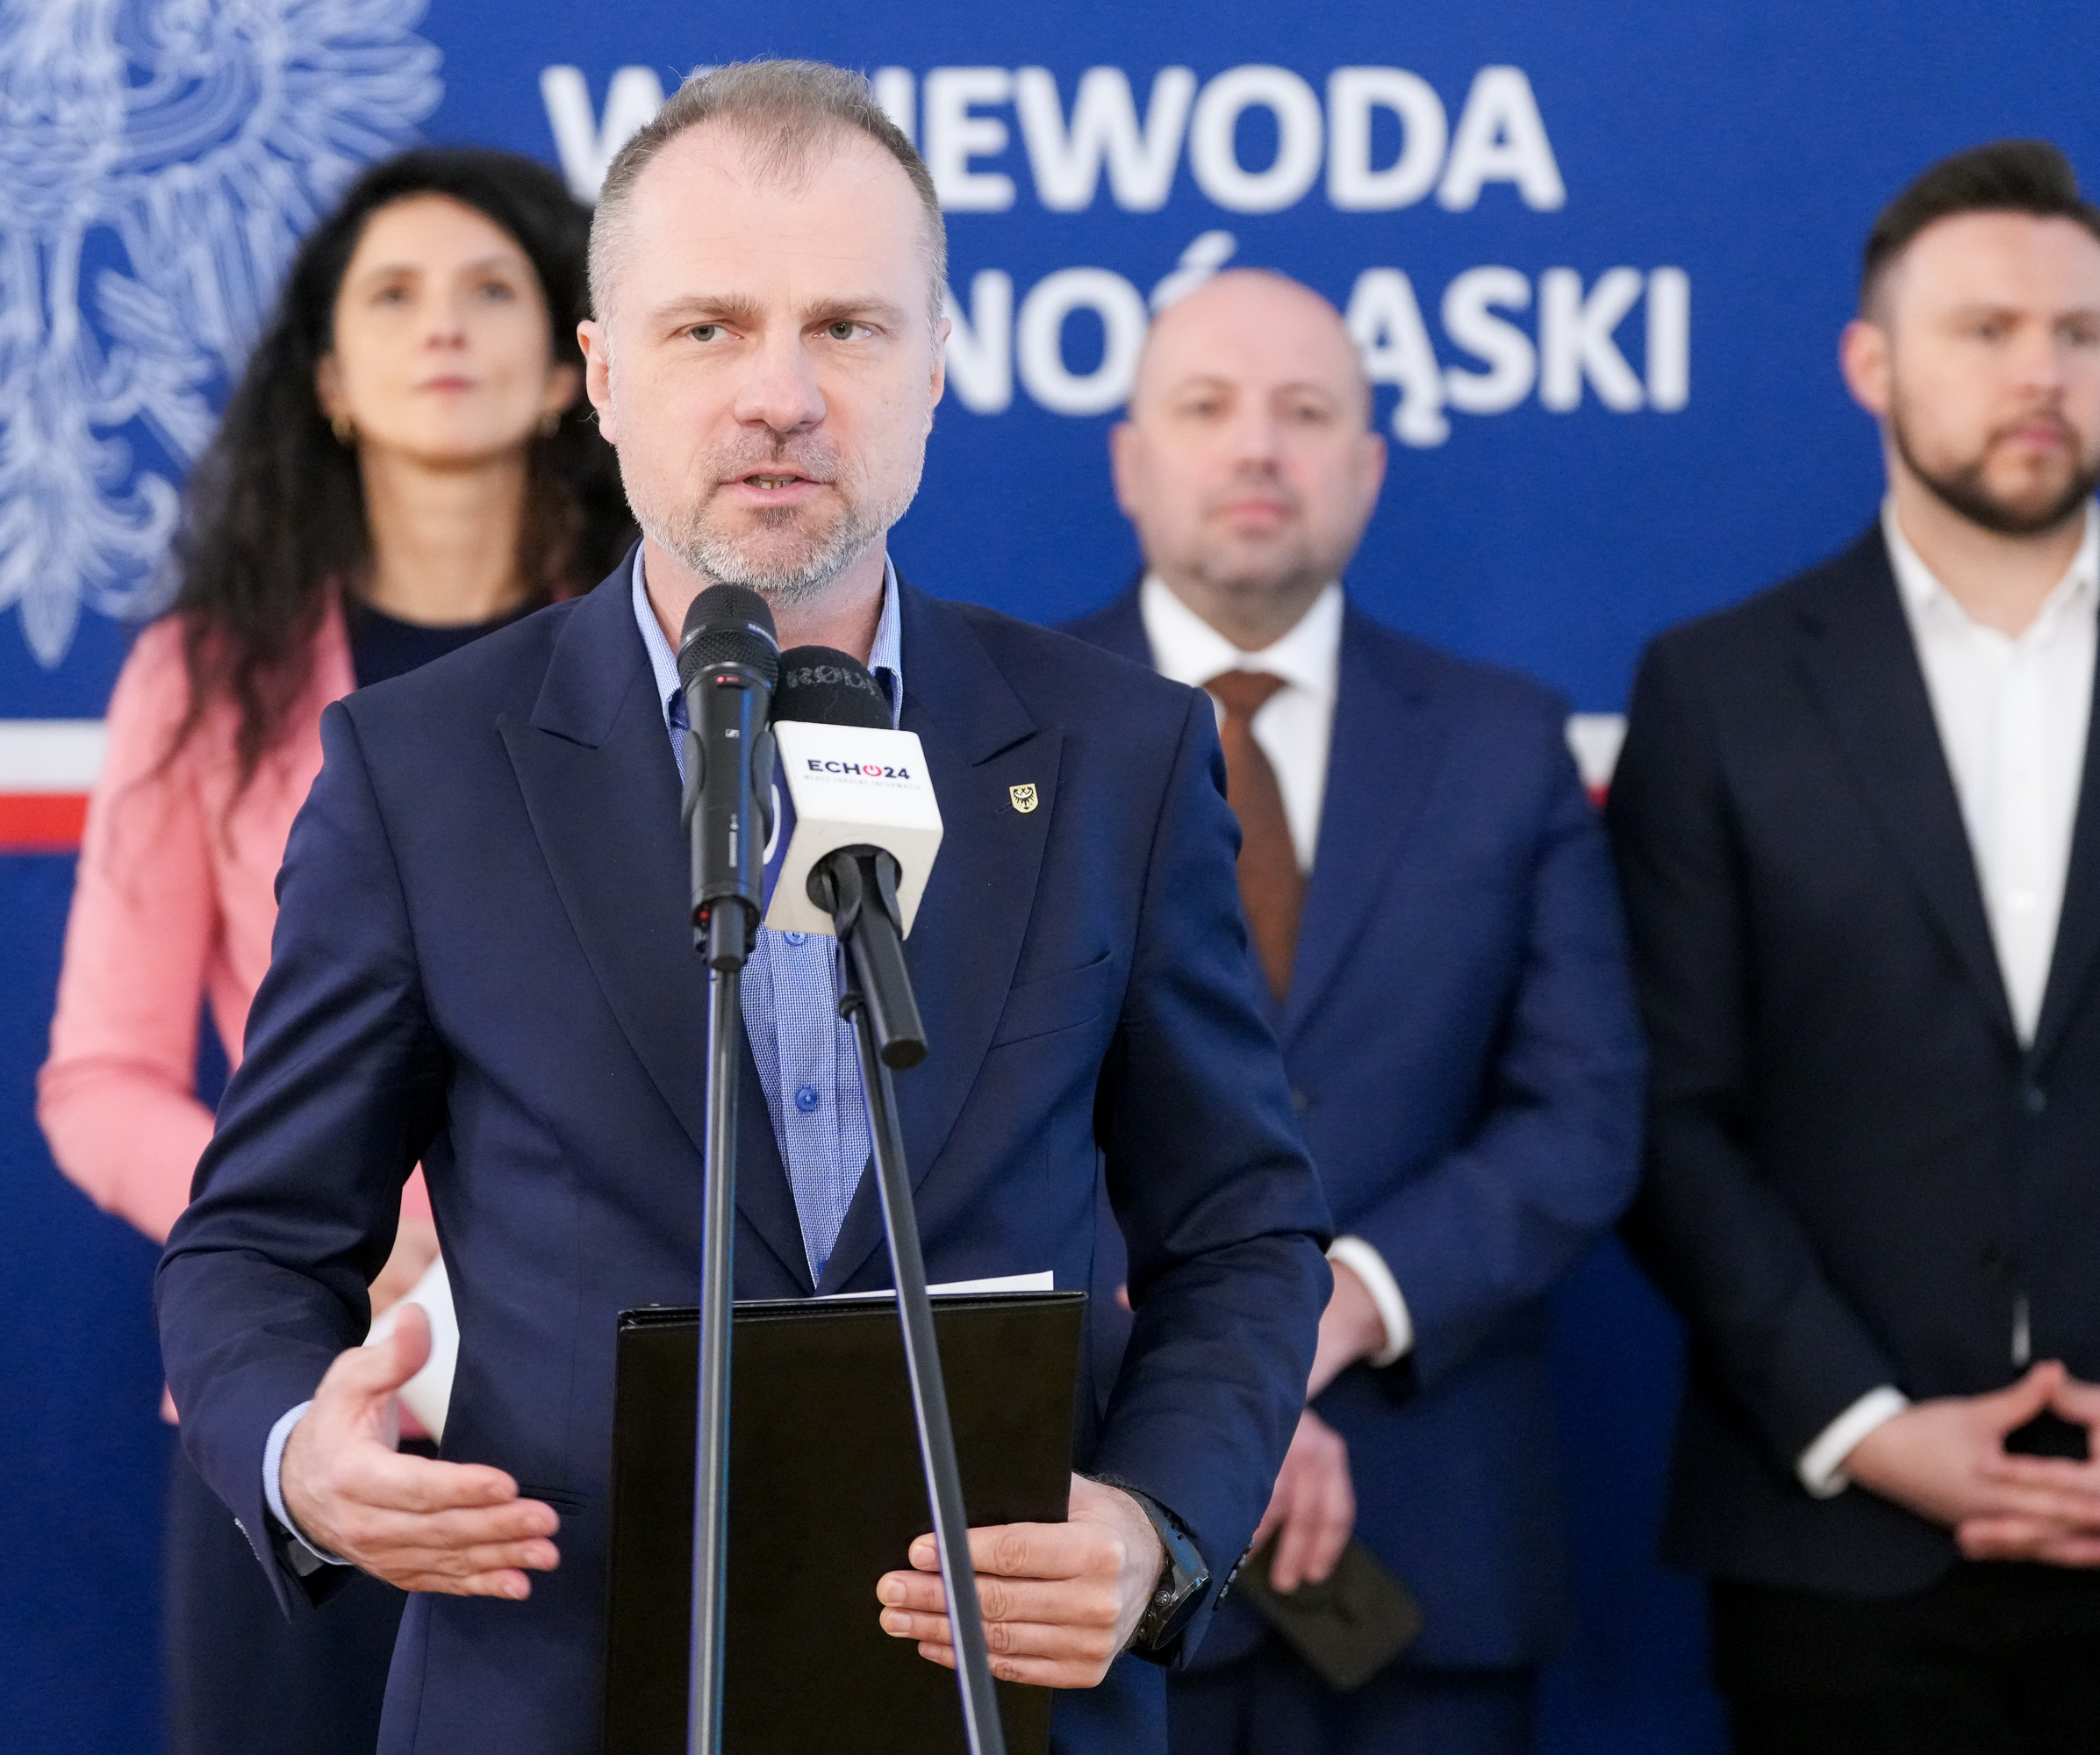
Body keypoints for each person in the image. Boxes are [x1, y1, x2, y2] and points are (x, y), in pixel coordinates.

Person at [154, 61, 1331, 1755]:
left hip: (999, 1700)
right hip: (555, 1690)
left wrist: (1157, 1528)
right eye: (709, 328)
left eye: (847, 328)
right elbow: (257, 1244)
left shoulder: (1119, 756)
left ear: (938, 367)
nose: (780, 396)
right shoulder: (422, 769)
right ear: (602, 375)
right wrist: (299, 1458)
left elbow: (1242, 1233)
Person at [1605, 139, 2100, 1755]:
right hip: (1839, 1562)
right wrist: (1867, 1425)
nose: (2040, 372)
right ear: (1871, 363)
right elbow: (1667, 1114)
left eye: (2080, 332)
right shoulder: (1717, 691)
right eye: (1985, 330)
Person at [37, 147, 633, 1753]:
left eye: (492, 290)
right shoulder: (203, 677)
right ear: (330, 382)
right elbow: (98, 1081)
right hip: (306, 1388)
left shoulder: (670, 661)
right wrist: (328, 1219)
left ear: (573, 369)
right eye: (393, 295)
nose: (443, 326)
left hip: (609, 1381)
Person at [1063, 269, 1644, 1753]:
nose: (1257, 447)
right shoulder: (1005, 733)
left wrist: (1329, 1315)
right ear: (1129, 460)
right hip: (1090, 1539)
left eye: (1306, 412)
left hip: (1430, 1558)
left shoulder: (1506, 744)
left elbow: (1583, 1117)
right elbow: (938, 1116)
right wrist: (1208, 1376)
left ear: (1369, 466)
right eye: (1207, 407)